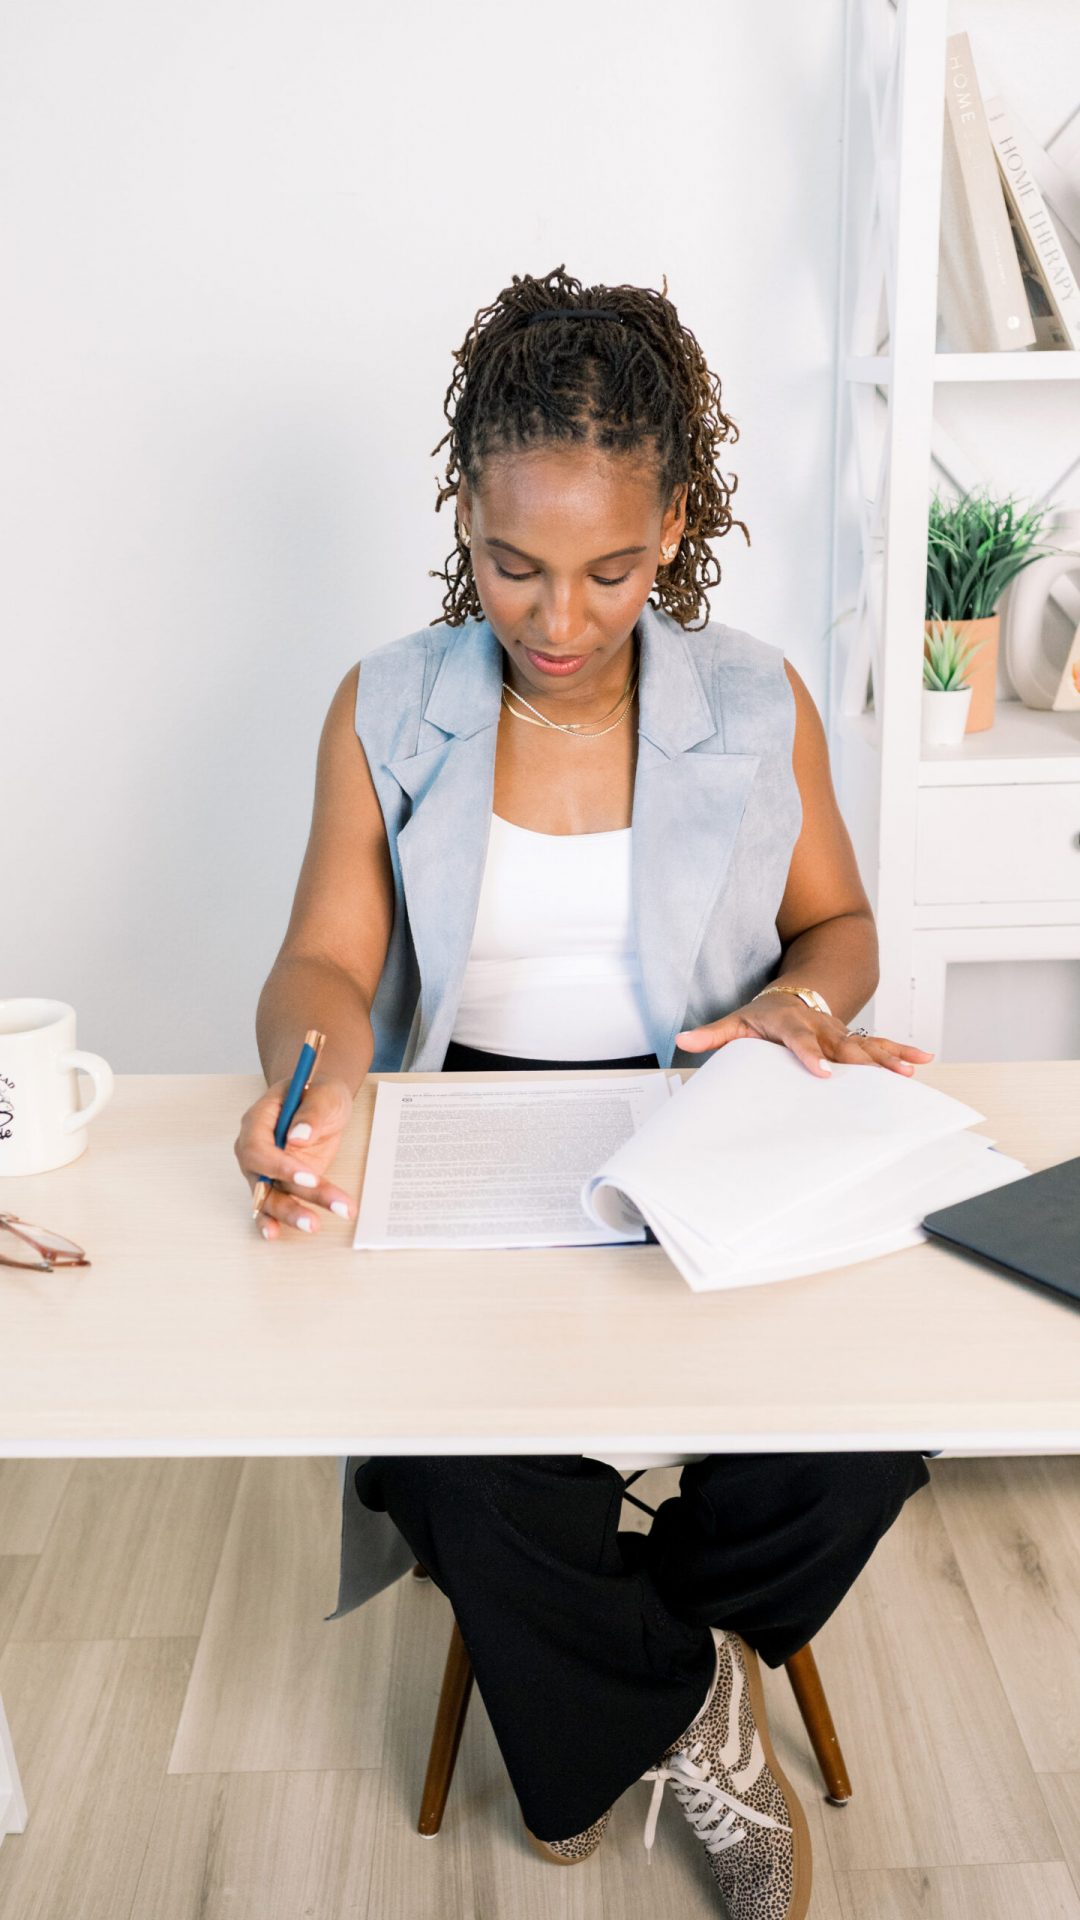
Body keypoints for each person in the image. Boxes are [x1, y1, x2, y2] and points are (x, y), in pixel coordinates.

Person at [234, 265, 936, 1920]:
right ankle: (687, 1699)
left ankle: (604, 1669)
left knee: (869, 1435)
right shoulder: (389, 702)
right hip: (467, 1130)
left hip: (705, 1123)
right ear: (460, 517)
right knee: (453, 1466)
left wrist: (798, 997)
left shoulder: (755, 702)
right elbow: (322, 967)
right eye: (512, 565)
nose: (556, 622)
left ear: (678, 523)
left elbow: (843, 928)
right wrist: (306, 1084)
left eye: (612, 570)